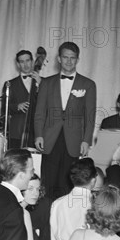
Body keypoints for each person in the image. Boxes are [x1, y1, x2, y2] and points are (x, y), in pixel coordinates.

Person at [34, 42, 97, 199]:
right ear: (59, 59)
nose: (69, 61)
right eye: (65, 57)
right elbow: (40, 112)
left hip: (74, 140)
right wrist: (38, 135)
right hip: (50, 138)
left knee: (67, 183)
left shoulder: (88, 84)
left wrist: (86, 140)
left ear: (77, 60)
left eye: (72, 58)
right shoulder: (46, 83)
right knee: (47, 182)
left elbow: (90, 116)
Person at [1, 50, 42, 149]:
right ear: (18, 64)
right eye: (22, 62)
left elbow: (50, 104)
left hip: (38, 132)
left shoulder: (43, 82)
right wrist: (17, 106)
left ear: (32, 61)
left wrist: (41, 85)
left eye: (27, 60)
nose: (25, 64)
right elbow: (4, 108)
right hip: (17, 132)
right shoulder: (9, 84)